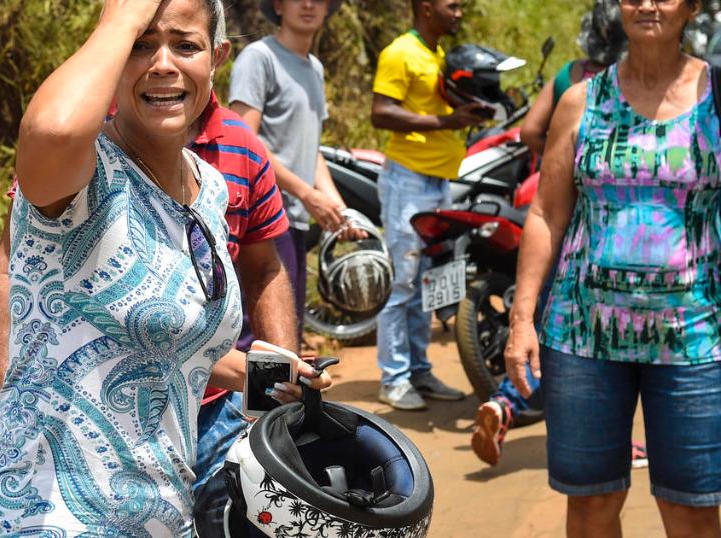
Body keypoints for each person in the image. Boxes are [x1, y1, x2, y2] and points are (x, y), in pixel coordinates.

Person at [0, 1, 326, 535]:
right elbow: (53, 130)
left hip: (159, 516)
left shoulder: (208, 189)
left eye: (185, 45)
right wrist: (120, 18)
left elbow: (170, 346)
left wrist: (279, 379)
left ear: (217, 59)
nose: (164, 64)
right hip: (44, 517)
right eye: (140, 46)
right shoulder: (79, 175)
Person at [506, 0, 721, 535]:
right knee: (591, 503)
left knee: (692, 507)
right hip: (584, 340)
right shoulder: (581, 101)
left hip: (695, 336)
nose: (648, 4)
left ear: (692, 8)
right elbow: (546, 213)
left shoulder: (717, 98)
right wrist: (521, 319)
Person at [471, 0, 635, 467]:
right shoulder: (625, 87)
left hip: (553, 211)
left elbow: (527, 132)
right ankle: (611, 434)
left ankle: (506, 402)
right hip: (602, 226)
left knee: (553, 317)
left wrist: (559, 154)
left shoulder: (567, 77)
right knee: (608, 340)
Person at [370, 0, 485, 410]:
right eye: (452, 6)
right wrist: (446, 123)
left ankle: (419, 370)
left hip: (438, 183)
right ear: (426, 7)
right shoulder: (400, 52)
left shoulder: (436, 54)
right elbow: (381, 114)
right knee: (402, 282)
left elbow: (432, 110)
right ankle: (394, 379)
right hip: (409, 182)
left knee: (428, 283)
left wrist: (466, 114)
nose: (458, 13)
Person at [228, 0, 364, 349]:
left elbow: (311, 148)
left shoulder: (314, 68)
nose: (308, 5)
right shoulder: (260, 58)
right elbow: (245, 140)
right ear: (278, 5)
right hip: (263, 218)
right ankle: (239, 405)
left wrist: (337, 206)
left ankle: (282, 405)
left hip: (296, 219)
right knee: (259, 339)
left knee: (288, 332)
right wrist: (306, 192)